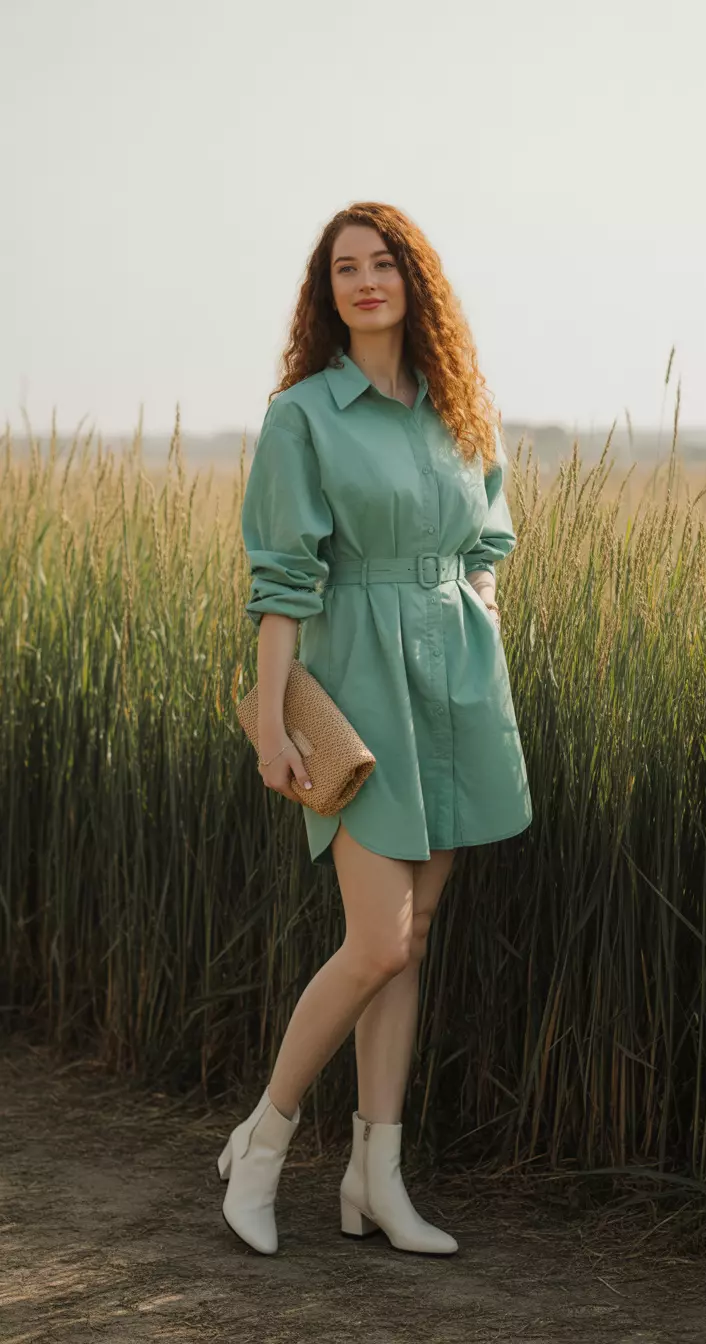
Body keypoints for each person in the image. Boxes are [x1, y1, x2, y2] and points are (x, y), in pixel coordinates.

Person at [220, 201, 533, 1257]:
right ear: (328, 292)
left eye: (383, 262)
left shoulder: (462, 407)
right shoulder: (303, 414)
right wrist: (273, 723)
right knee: (378, 939)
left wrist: (477, 603)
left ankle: (375, 1178)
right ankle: (259, 1147)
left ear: (414, 279)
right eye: (345, 267)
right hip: (357, 682)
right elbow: (281, 581)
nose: (365, 280)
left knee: (415, 943)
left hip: (457, 684)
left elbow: (490, 532)